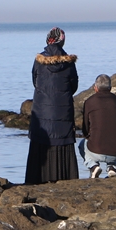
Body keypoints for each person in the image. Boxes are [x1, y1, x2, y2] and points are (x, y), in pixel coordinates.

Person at [25, 27, 79, 184]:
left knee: (41, 142)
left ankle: (37, 179)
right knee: (62, 142)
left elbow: (35, 82)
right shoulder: (69, 63)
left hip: (42, 110)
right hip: (63, 110)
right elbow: (73, 85)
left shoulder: (39, 61)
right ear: (62, 41)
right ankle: (65, 178)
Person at [79, 74, 116, 179]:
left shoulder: (89, 102)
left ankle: (93, 166)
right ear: (110, 88)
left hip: (95, 149)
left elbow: (85, 128)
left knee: (81, 144)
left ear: (95, 88)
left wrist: (88, 136)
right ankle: (113, 167)